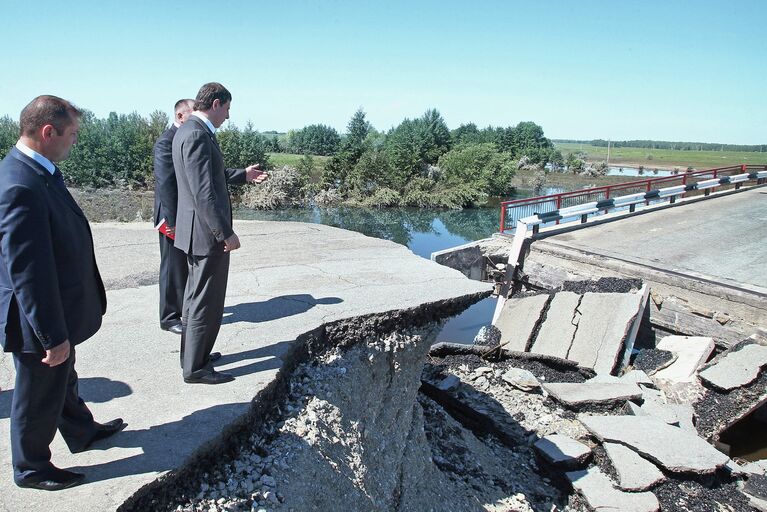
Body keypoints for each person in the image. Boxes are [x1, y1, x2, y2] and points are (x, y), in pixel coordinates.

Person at [0, 95, 125, 491]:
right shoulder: (20, 184)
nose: (75, 142)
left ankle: (82, 431)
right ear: (47, 132)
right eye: (71, 135)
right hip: (35, 316)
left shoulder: (38, 169)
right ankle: (32, 467)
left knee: (63, 377)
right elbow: (28, 272)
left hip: (55, 308)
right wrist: (51, 335)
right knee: (38, 393)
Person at [172, 82, 268, 385]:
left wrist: (242, 174)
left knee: (194, 298)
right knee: (206, 301)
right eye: (226, 109)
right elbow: (204, 192)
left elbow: (209, 176)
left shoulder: (186, 131)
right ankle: (196, 368)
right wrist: (224, 232)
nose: (227, 116)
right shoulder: (199, 135)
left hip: (193, 231)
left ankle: (193, 356)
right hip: (206, 234)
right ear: (215, 104)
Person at [154, 98, 194, 335]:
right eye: (193, 114)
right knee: (171, 266)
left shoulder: (185, 138)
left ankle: (181, 310)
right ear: (180, 116)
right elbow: (166, 184)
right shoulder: (165, 142)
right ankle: (169, 317)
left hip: (183, 215)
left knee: (181, 266)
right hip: (171, 216)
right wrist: (172, 222)